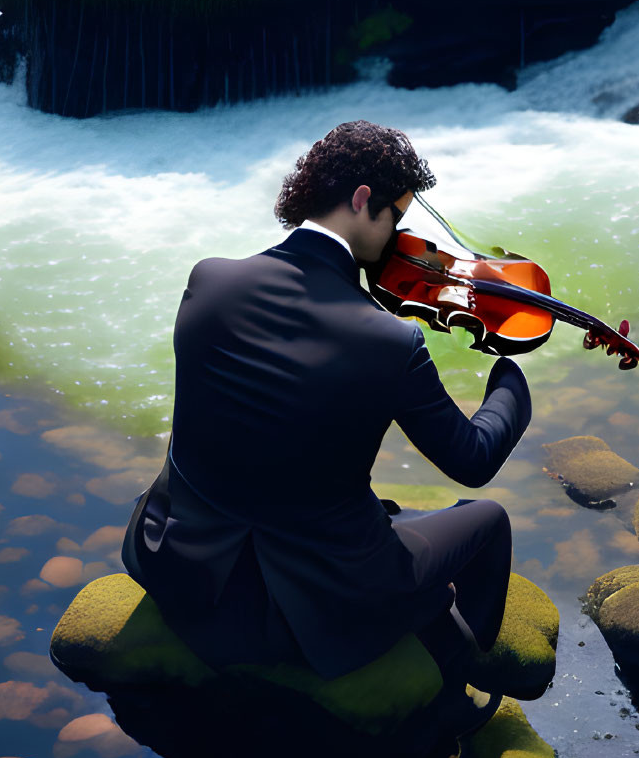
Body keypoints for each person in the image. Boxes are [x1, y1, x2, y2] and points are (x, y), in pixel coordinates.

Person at [121, 120, 531, 709]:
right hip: (307, 612)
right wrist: (511, 376)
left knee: (372, 508)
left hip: (179, 569)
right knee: (484, 518)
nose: (397, 234)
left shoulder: (209, 280)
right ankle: (458, 686)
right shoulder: (389, 340)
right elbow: (472, 458)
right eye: (396, 216)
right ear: (363, 200)